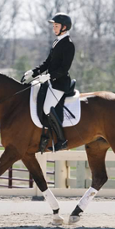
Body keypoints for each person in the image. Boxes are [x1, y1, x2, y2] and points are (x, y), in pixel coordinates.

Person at [21, 13, 75, 151]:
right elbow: (47, 63)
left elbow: (64, 68)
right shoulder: (56, 42)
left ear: (64, 27)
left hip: (60, 83)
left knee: (46, 108)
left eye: (56, 26)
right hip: (50, 81)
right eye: (54, 26)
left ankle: (62, 140)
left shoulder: (68, 45)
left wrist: (49, 76)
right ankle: (44, 137)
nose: (54, 28)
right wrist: (34, 72)